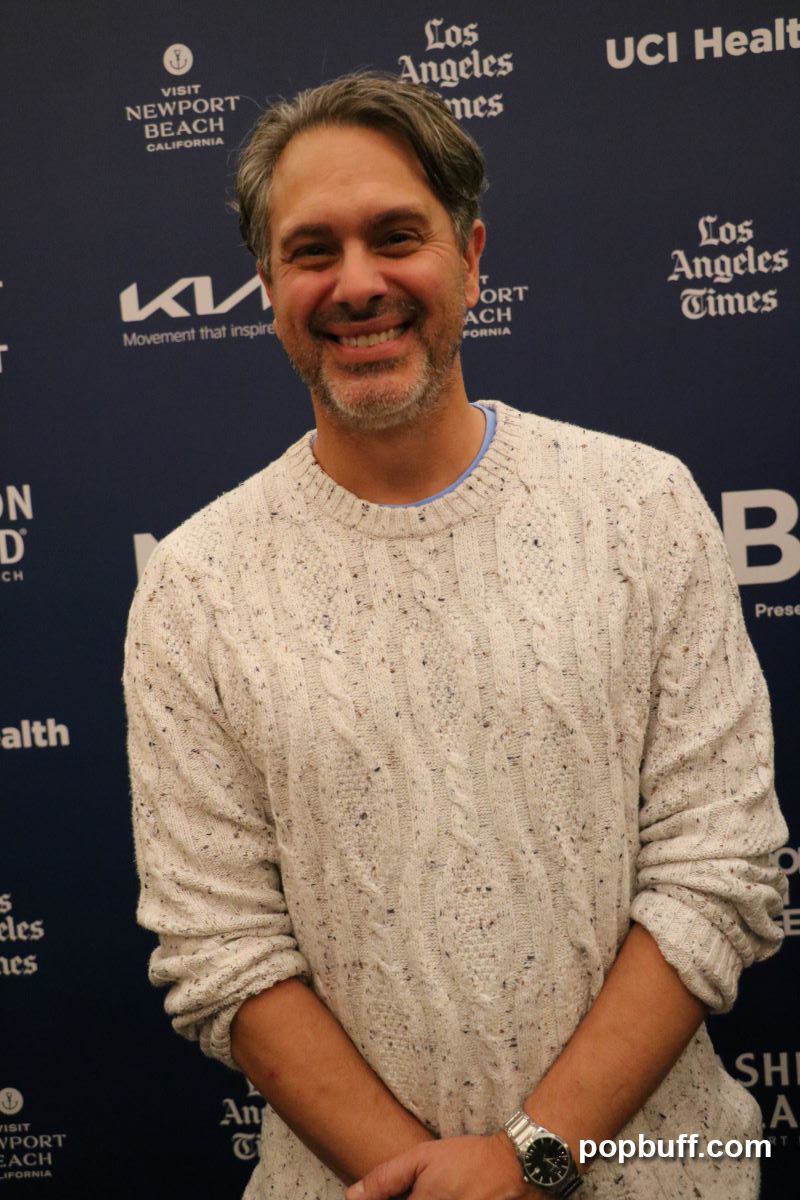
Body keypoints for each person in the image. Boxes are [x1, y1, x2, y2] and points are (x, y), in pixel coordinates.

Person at [124, 72, 788, 1200]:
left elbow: (717, 869)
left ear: (471, 258)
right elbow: (218, 949)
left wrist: (529, 1160)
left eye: (397, 236)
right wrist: (432, 1187)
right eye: (312, 251)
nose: (358, 283)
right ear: (268, 289)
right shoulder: (194, 588)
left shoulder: (640, 508)